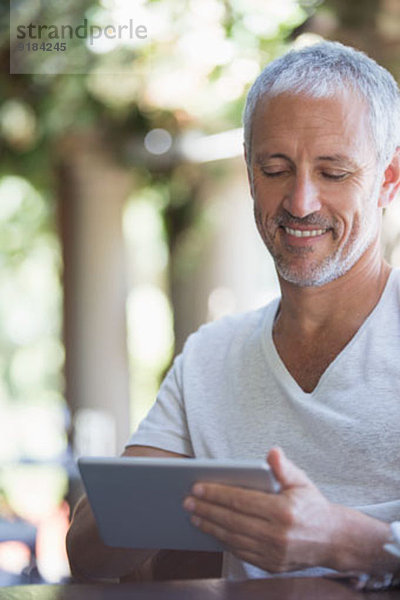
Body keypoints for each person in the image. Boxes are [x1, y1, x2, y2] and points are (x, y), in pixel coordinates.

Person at [66, 41, 400, 586]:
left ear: (388, 178)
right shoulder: (210, 357)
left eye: (333, 173)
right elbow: (88, 557)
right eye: (275, 168)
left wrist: (341, 539)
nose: (300, 202)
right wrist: (159, 504)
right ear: (248, 172)